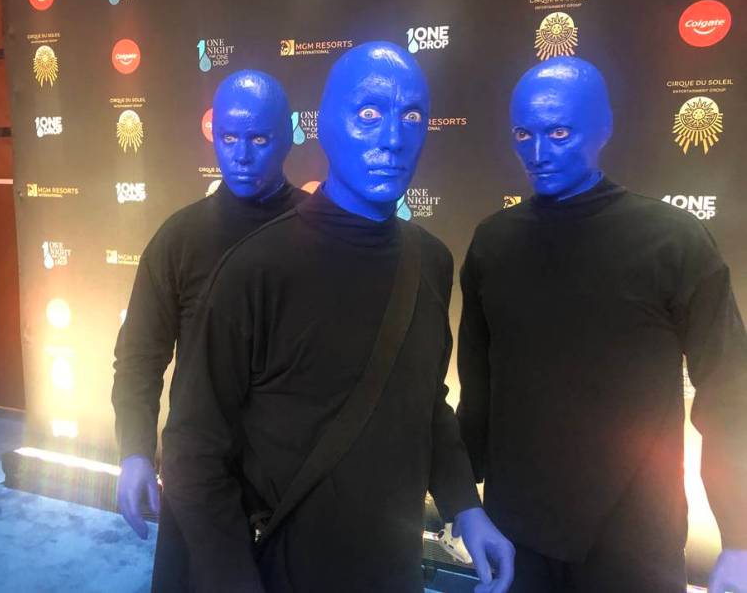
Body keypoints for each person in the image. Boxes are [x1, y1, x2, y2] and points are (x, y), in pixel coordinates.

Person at [162, 41, 514, 592]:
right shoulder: (257, 267)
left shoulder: (431, 261)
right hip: (282, 570)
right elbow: (192, 450)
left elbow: (424, 403)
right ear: (322, 126)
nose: (393, 139)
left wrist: (466, 506)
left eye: (412, 116)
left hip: (391, 568)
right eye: (369, 113)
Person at [456, 56, 747, 592]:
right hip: (517, 536)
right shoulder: (492, 243)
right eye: (523, 133)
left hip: (636, 543)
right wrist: (458, 503)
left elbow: (729, 393)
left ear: (603, 128)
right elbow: (478, 394)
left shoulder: (673, 241)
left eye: (559, 131)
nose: (538, 153)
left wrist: (738, 536)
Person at [111, 69, 307, 591]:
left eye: (259, 139)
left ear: (288, 136)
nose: (241, 155)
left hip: (297, 480)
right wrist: (133, 449)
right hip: (200, 475)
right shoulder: (179, 239)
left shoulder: (321, 233)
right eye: (229, 138)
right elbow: (139, 355)